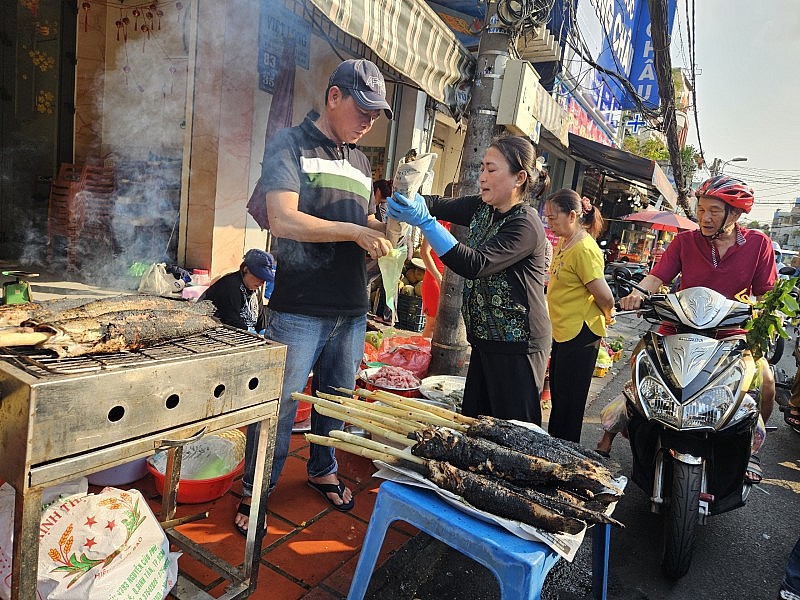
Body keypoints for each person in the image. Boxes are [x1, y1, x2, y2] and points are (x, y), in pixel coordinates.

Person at [234, 58, 394, 535]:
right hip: (300, 306)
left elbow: (365, 223)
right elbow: (283, 218)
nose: (368, 122)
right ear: (334, 96)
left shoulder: (361, 162)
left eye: (375, 115)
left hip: (352, 306)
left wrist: (393, 223)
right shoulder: (290, 144)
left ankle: (323, 468)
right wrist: (354, 231)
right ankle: (256, 489)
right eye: (362, 110)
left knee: (336, 399)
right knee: (281, 405)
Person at [595, 175, 777, 484]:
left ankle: (752, 449)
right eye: (701, 209)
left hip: (730, 334)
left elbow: (766, 293)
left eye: (714, 211)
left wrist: (767, 314)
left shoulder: (758, 244)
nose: (705, 217)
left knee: (766, 381)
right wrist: (638, 293)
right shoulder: (685, 242)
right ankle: (607, 435)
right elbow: (657, 277)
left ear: (735, 213)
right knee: (641, 372)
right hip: (679, 327)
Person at [387, 135, 551, 424]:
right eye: (482, 168)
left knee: (514, 432)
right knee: (476, 425)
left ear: (519, 178)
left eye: (491, 169)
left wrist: (426, 223)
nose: (482, 177)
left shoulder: (525, 224)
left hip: (518, 346)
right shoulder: (483, 208)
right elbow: (438, 204)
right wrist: (406, 197)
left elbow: (475, 264)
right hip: (485, 341)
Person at [544, 190, 615, 443]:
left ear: (572, 216)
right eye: (548, 218)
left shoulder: (585, 248)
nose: (549, 223)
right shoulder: (565, 242)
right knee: (559, 396)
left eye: (553, 217)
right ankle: (553, 445)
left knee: (570, 402)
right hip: (564, 330)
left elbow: (605, 297)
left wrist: (608, 316)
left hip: (581, 333)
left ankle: (565, 451)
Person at [199, 249, 274, 333]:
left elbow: (261, 319)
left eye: (264, 279)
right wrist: (249, 331)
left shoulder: (255, 290)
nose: (262, 282)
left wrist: (262, 331)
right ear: (246, 269)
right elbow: (230, 319)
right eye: (259, 276)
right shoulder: (230, 285)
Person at [419, 221, 450, 338]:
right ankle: (426, 350)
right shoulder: (438, 223)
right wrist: (438, 277)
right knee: (432, 325)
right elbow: (424, 252)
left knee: (444, 327)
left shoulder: (463, 226)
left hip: (451, 281)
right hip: (435, 280)